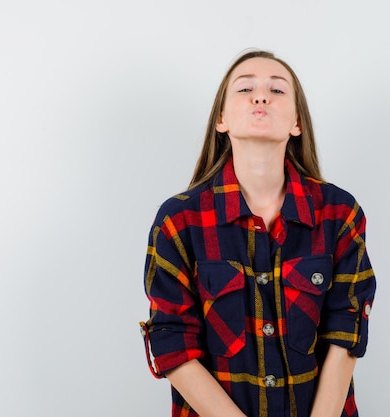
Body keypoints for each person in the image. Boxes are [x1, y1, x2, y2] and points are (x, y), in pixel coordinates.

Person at [140, 49, 376, 417]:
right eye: (244, 88)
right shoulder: (179, 220)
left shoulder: (339, 213)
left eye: (278, 90)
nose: (261, 96)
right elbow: (172, 342)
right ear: (222, 119)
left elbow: (346, 331)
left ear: (297, 122)